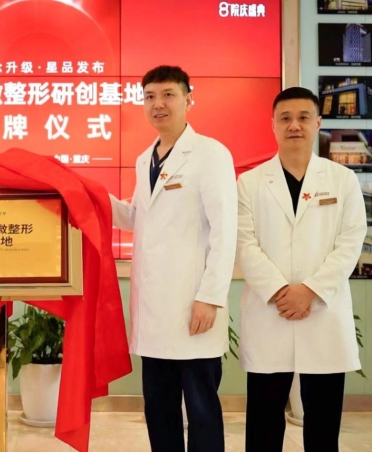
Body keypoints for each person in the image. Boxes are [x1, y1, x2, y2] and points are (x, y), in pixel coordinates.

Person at [109, 65, 237, 452]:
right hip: (154, 314)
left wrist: (210, 297)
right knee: (159, 409)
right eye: (150, 96)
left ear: (188, 99)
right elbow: (138, 216)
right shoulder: (144, 159)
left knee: (201, 410)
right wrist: (91, 198)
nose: (158, 104)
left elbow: (225, 230)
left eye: (168, 94)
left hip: (193, 307)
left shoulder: (210, 154)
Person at [236, 87, 367, 452]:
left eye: (303, 117)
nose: (294, 125)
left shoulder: (342, 179)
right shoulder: (249, 183)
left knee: (323, 425)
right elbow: (245, 244)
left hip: (322, 311)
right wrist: (282, 292)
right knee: (263, 423)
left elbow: (351, 241)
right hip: (270, 311)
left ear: (318, 123)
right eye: (285, 118)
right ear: (273, 125)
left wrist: (309, 291)